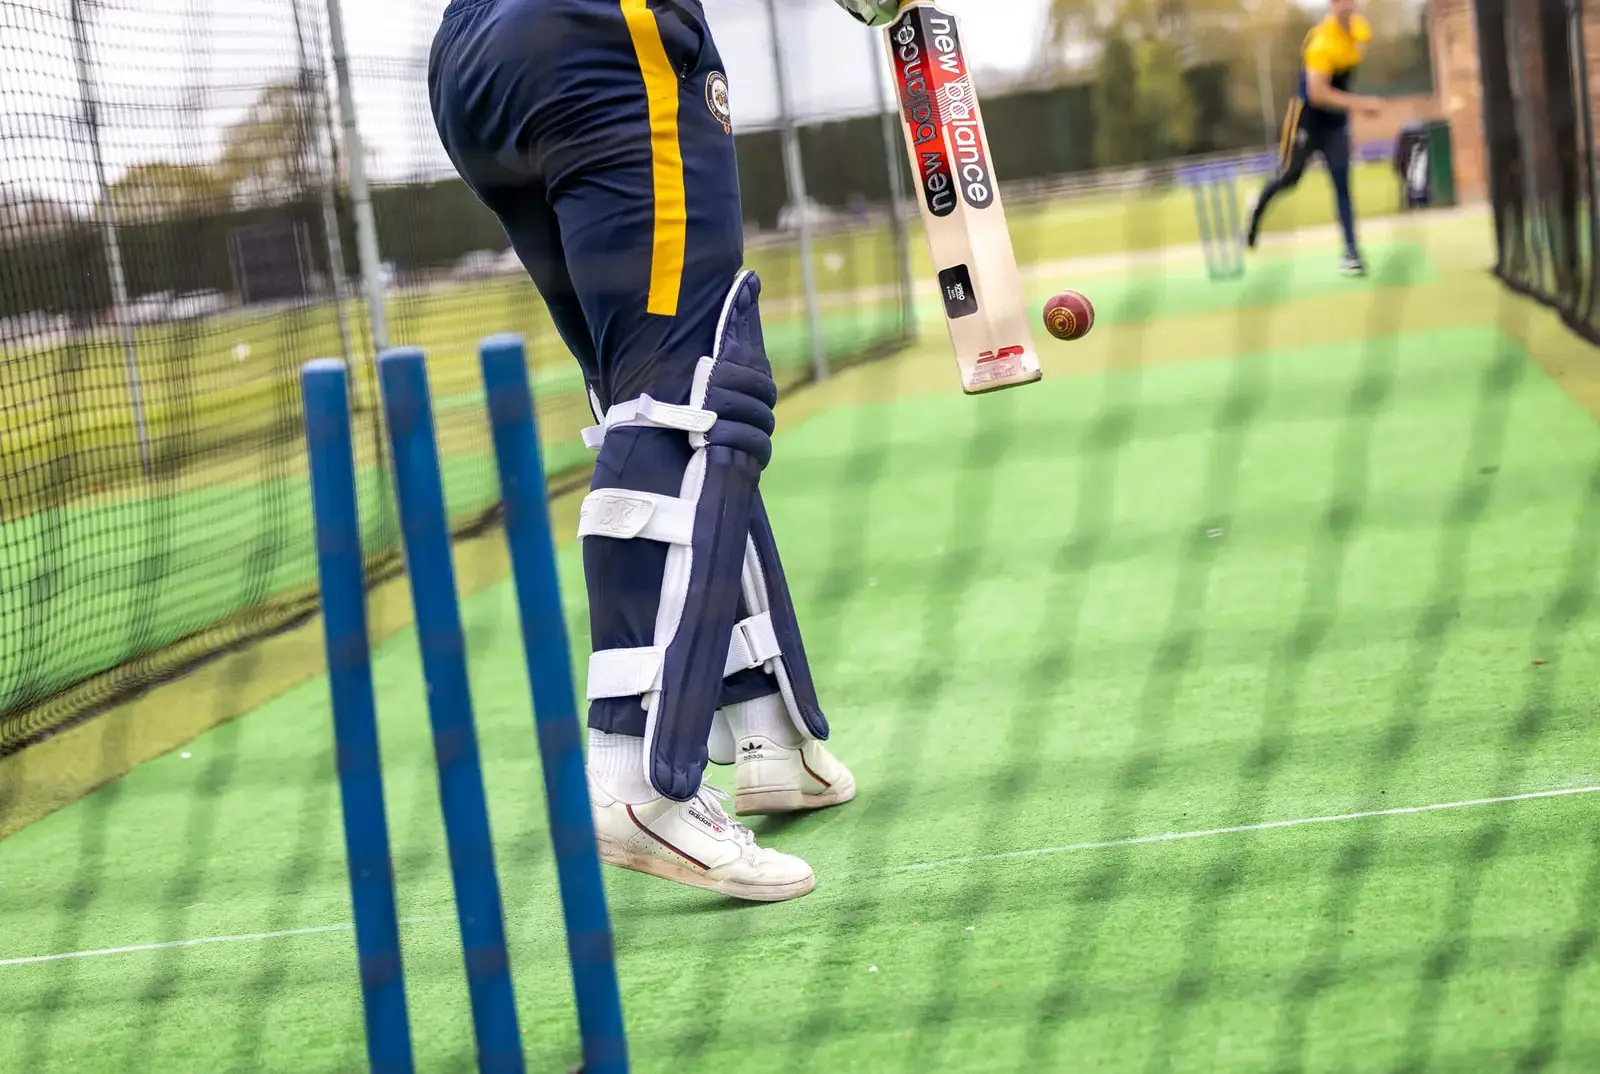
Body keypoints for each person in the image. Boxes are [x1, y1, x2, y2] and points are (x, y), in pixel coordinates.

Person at [427, 0, 898, 902]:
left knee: (642, 395)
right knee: (689, 393)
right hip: (604, 35)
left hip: (474, 60)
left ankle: (764, 724)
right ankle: (630, 780)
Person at [1244, 0, 1384, 277]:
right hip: (1307, 120)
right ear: (1333, 5)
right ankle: (1256, 208)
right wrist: (1360, 105)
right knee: (1289, 178)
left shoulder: (1361, 31)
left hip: (1335, 123)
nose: (1348, 6)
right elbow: (1318, 94)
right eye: (1342, 1)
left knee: (1342, 185)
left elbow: (1349, 67)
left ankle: (1351, 253)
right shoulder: (1321, 44)